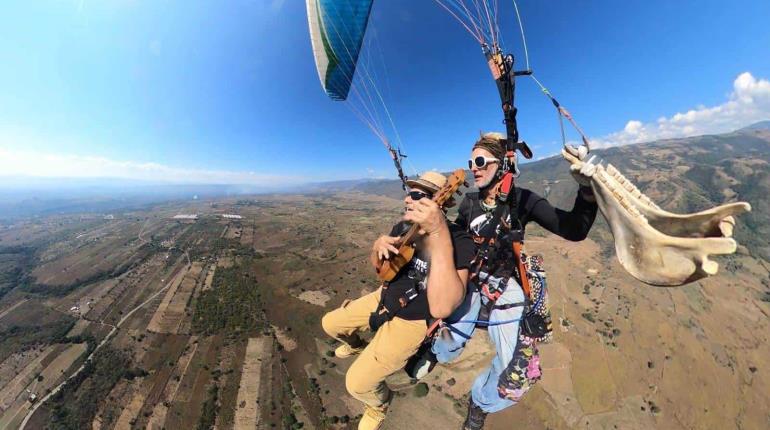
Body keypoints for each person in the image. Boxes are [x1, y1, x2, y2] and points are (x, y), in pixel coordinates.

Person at [430, 132, 598, 430]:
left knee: (518, 377)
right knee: (444, 344)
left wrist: (586, 192)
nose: (474, 168)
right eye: (471, 162)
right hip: (469, 279)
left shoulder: (522, 200)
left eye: (480, 161)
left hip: (505, 285)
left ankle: (480, 403)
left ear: (501, 165)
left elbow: (573, 229)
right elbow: (451, 244)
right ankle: (431, 351)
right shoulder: (468, 204)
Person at [321, 171, 476, 430]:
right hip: (383, 298)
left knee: (356, 384)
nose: (407, 199)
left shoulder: (458, 240)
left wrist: (438, 236)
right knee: (330, 324)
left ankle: (378, 404)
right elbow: (381, 269)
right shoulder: (404, 228)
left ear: (438, 202)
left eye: (416, 195)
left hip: (412, 321)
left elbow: (444, 306)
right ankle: (357, 345)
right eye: (409, 192)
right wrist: (377, 247)